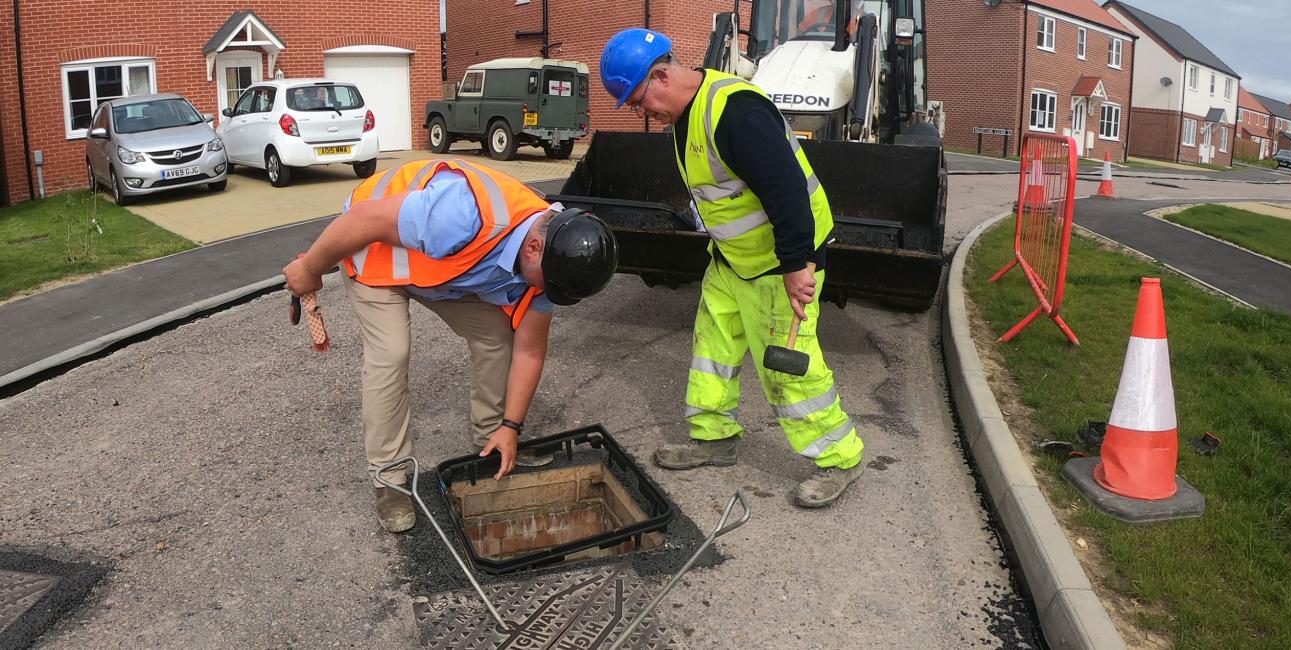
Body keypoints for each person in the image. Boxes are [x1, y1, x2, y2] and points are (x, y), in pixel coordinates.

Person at [599, 28, 864, 508]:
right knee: (712, 350)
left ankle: (840, 458)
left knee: (788, 369)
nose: (642, 113)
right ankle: (715, 438)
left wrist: (796, 265)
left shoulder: (736, 112)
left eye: (639, 102)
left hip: (780, 262)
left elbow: (787, 191)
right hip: (733, 259)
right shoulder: (687, 115)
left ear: (661, 76)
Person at [282, 159, 618, 532]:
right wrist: (310, 269)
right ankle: (389, 477)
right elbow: (363, 220)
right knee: (391, 351)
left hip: (437, 270)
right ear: (534, 247)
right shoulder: (460, 215)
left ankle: (492, 436)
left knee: (498, 335)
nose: (544, 291)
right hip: (374, 252)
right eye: (546, 283)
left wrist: (511, 426)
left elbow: (529, 351)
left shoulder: (551, 260)